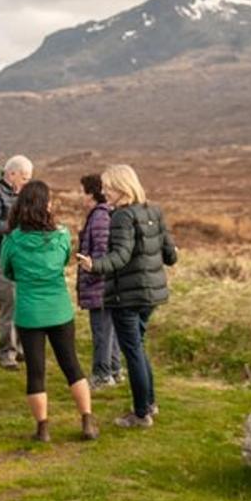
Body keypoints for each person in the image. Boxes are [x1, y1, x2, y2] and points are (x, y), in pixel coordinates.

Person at [77, 165, 177, 429]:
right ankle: (149, 403)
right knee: (138, 348)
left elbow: (121, 255)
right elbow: (170, 255)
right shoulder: (154, 211)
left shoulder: (121, 217)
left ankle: (141, 413)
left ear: (122, 188)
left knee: (132, 352)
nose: (104, 192)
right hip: (152, 295)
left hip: (127, 297)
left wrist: (93, 265)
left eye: (108, 187)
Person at [0, 180, 98, 442]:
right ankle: (87, 420)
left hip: (29, 313)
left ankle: (42, 428)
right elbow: (64, 261)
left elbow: (7, 270)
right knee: (71, 365)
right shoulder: (62, 236)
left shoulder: (12, 240)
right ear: (45, 205)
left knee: (36, 371)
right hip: (59, 310)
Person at [0, 155, 33, 369]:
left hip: (22, 255)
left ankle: (20, 348)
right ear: (12, 174)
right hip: (1, 256)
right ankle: (6, 353)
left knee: (22, 301)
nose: (27, 183)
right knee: (8, 303)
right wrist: (19, 227)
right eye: (25, 178)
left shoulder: (20, 191)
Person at [76, 173, 121, 389]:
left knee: (102, 331)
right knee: (108, 329)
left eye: (81, 190)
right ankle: (114, 370)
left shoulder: (100, 217)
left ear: (91, 193)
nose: (79, 195)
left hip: (99, 285)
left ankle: (103, 376)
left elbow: (102, 251)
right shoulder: (100, 215)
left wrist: (92, 271)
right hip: (103, 285)